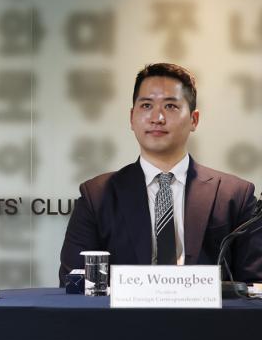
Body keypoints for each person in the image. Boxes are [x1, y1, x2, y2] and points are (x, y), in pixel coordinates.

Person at [59, 62, 262, 285]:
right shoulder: (96, 196)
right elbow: (74, 284)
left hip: (206, 320)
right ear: (131, 117)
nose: (157, 117)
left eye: (171, 106)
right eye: (146, 105)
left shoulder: (235, 195)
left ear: (194, 119)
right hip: (123, 320)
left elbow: (255, 287)